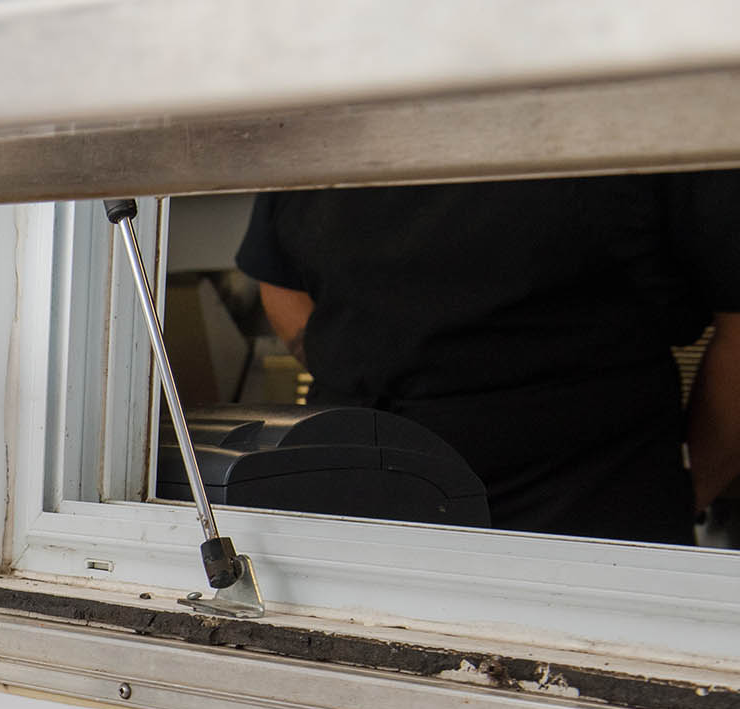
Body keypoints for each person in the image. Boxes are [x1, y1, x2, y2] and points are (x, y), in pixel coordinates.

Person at [236, 174, 740, 544]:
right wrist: (344, 363)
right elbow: (278, 278)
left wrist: (683, 494)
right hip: (364, 512)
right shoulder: (332, 111)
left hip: (590, 517)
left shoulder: (627, 110)